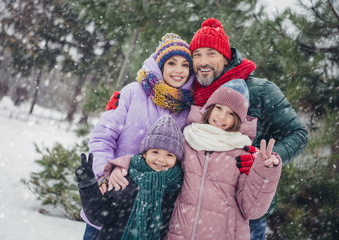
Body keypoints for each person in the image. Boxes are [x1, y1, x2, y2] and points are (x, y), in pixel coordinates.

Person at [106, 18, 308, 239]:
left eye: (211, 53)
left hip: (242, 210)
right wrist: (126, 101)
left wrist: (264, 159)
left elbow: (298, 134)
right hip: (188, 210)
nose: (203, 61)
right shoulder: (193, 89)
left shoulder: (261, 90)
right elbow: (164, 108)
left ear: (225, 56)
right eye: (197, 55)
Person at [81, 33, 195, 240]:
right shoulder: (133, 92)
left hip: (153, 212)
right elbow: (102, 137)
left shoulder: (189, 109)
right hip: (114, 197)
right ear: (160, 65)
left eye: (185, 65)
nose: (178, 70)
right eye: (171, 63)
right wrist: (103, 173)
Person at [165, 79, 282, 239]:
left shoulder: (243, 152)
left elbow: (252, 209)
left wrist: (264, 172)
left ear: (238, 119)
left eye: (231, 113)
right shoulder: (188, 139)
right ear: (209, 108)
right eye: (218, 108)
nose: (222, 116)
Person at [76, 115, 184, 240]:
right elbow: (99, 215)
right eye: (155, 152)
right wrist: (88, 184)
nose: (161, 159)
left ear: (177, 159)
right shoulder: (125, 178)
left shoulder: (176, 187)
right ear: (144, 153)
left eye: (169, 155)